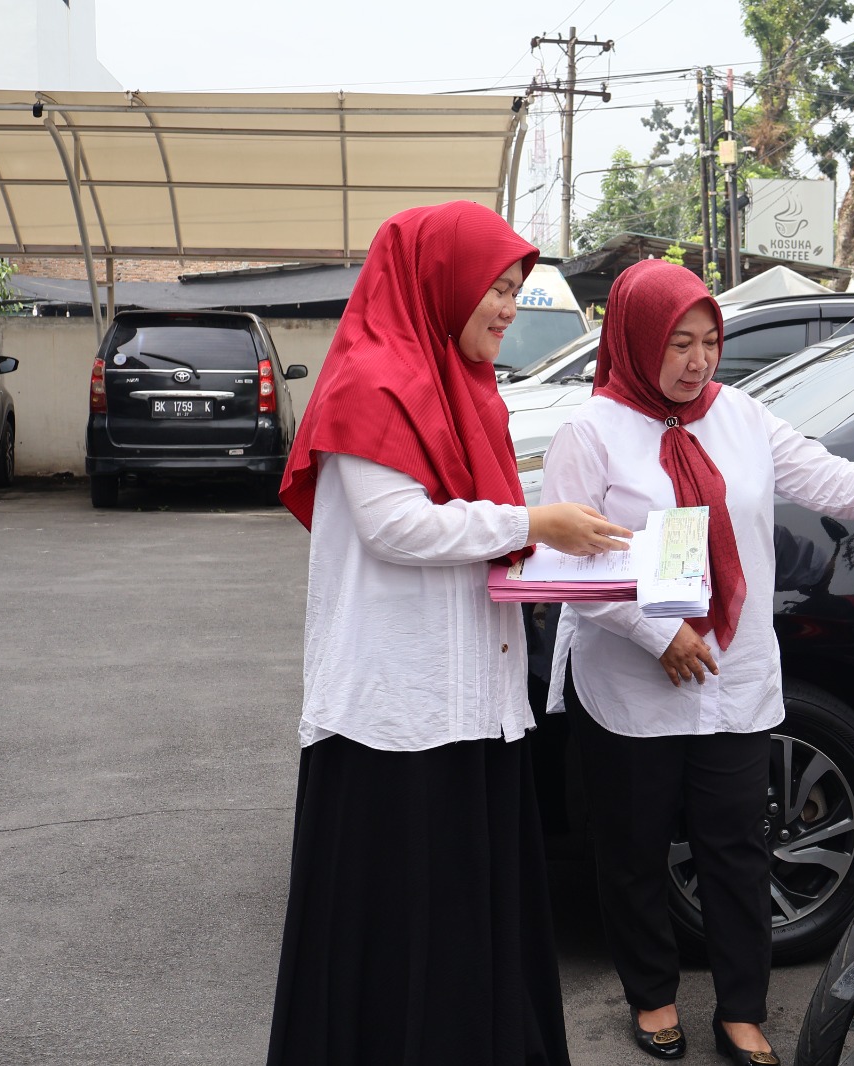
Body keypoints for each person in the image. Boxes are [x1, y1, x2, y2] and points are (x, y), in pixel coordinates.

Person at [540, 260, 854, 1065]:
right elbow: (572, 570)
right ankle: (650, 995)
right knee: (635, 848)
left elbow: (826, 478)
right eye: (678, 343)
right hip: (632, 681)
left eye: (709, 341)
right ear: (637, 340)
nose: (697, 360)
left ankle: (741, 1008)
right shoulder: (591, 432)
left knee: (737, 847)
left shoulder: (741, 415)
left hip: (732, 674)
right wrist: (657, 634)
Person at [266, 200, 630, 1066]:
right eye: (495, 288)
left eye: (514, 288)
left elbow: (478, 523)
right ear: (440, 283)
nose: (508, 307)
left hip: (473, 697)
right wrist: (532, 525)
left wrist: (549, 541)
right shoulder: (374, 380)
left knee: (470, 925)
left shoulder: (466, 388)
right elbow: (399, 527)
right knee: (398, 931)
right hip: (395, 713)